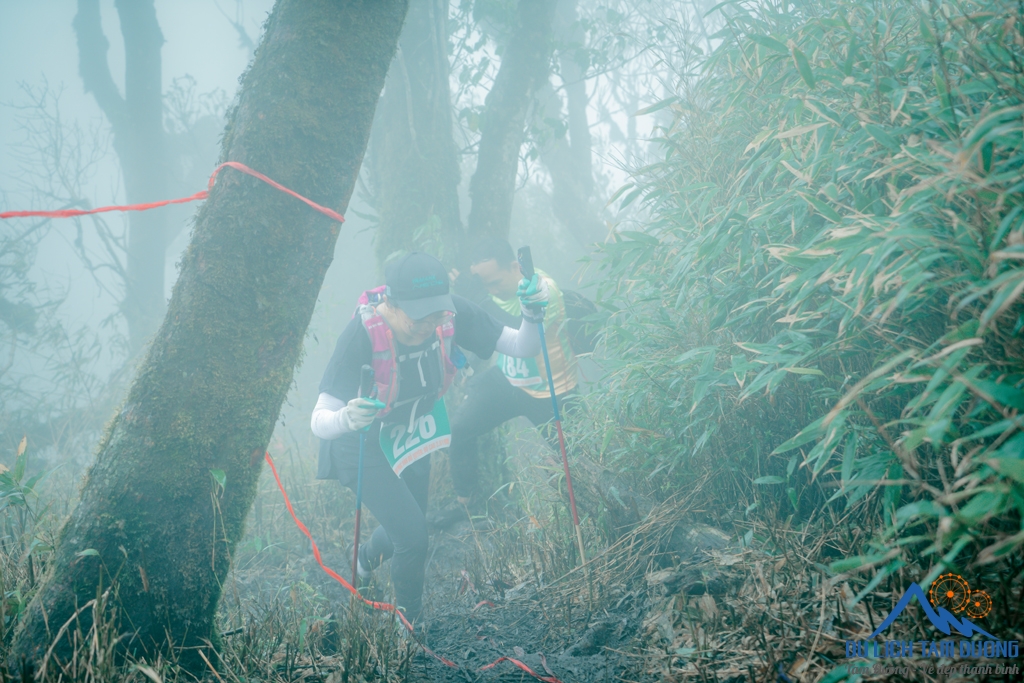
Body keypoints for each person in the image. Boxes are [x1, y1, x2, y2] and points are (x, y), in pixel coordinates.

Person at [309, 251, 547, 623]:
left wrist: (532, 313)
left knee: (409, 524)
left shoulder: (449, 315)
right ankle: (411, 627)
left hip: (412, 433)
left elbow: (524, 346)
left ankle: (363, 559)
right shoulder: (361, 334)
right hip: (362, 442)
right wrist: (346, 417)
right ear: (390, 302)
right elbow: (318, 418)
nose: (428, 326)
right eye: (419, 317)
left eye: (437, 314)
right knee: (414, 538)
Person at [435, 238, 578, 527]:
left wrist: (476, 296)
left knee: (576, 459)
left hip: (551, 389)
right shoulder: (492, 289)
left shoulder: (542, 289)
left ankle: (581, 514)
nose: (492, 290)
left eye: (495, 282)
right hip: (508, 380)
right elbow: (488, 329)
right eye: (485, 284)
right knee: (459, 428)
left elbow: (519, 335)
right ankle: (465, 501)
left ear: (515, 266)